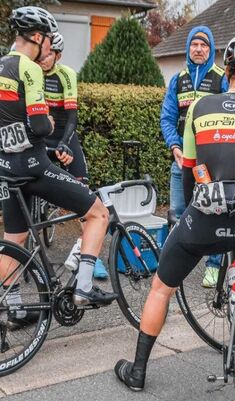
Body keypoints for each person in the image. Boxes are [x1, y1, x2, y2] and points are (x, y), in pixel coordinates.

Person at [114, 34, 235, 392]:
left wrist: (191, 216)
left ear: (227, 70)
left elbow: (188, 173)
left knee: (160, 289)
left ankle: (137, 372)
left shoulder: (200, 108)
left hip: (202, 219)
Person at [0, 6, 117, 330]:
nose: (50, 46)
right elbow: (40, 126)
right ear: (36, 37)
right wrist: (48, 122)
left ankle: (11, 309)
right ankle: (82, 286)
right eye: (48, 39)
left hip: (5, 168)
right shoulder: (30, 68)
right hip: (34, 165)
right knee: (97, 213)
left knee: (15, 238)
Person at [160, 26, 229, 288]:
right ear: (188, 49)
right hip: (181, 161)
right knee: (178, 213)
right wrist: (174, 147)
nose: (198, 49)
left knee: (214, 212)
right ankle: (173, 265)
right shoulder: (178, 80)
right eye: (194, 45)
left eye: (204, 45)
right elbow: (167, 118)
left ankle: (213, 266)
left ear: (211, 50)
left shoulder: (222, 79)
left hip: (212, 163)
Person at [38, 32, 108, 279]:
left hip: (63, 137)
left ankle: (90, 254)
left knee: (84, 190)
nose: (43, 58)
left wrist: (66, 145)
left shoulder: (65, 75)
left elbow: (71, 117)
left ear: (58, 55)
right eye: (42, 53)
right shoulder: (31, 73)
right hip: (40, 139)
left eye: (49, 55)